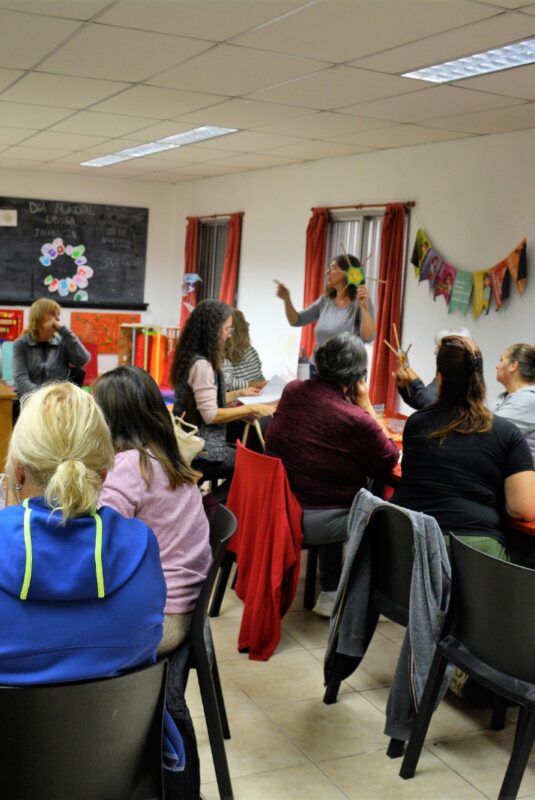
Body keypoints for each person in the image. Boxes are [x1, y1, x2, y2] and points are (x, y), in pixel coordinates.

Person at [265, 333, 399, 617]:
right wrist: (365, 406)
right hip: (314, 519)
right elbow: (389, 458)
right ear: (358, 376)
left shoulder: (293, 391)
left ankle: (331, 589)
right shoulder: (353, 418)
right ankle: (367, 598)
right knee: (376, 507)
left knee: (335, 485)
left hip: (282, 506)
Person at [94, 365, 212, 654]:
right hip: (184, 604)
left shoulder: (129, 466)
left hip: (161, 619)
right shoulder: (163, 456)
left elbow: (96, 544)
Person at [391, 336, 535, 560]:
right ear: (479, 379)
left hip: (408, 543)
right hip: (472, 552)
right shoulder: (506, 432)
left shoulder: (416, 423)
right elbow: (523, 509)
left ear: (439, 378)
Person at [171, 301, 275, 483]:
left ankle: (213, 503)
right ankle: (214, 503)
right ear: (213, 331)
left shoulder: (192, 356)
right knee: (258, 467)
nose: (229, 335)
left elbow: (203, 404)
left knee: (249, 458)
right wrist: (250, 409)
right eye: (227, 329)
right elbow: (211, 415)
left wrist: (238, 403)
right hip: (201, 450)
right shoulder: (202, 364)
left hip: (192, 443)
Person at [275, 253, 375, 362]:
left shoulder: (361, 302)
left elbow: (368, 337)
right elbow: (296, 320)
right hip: (318, 368)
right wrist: (286, 299)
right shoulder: (325, 301)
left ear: (347, 272)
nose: (327, 272)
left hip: (346, 373)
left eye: (332, 268)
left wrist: (364, 308)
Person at [12, 298, 90, 398]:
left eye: (58, 315)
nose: (57, 319)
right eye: (53, 314)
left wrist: (65, 333)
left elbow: (83, 360)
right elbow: (21, 381)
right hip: (30, 399)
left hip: (59, 400)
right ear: (39, 316)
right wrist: (46, 396)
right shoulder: (21, 344)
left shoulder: (63, 343)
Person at [394, 326, 471, 410]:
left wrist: (415, 381)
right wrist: (404, 388)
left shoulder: (461, 379)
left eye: (438, 347)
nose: (434, 352)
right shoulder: (441, 373)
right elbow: (421, 403)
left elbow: (430, 403)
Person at [494, 343, 535, 459]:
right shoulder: (504, 398)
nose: (497, 366)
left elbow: (488, 432)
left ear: (513, 365)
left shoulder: (527, 400)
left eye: (501, 360)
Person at [223, 308, 265, 391]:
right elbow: (226, 384)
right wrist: (254, 385)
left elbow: (260, 377)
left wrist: (265, 385)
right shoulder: (222, 353)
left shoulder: (250, 350)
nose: (248, 325)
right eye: (243, 323)